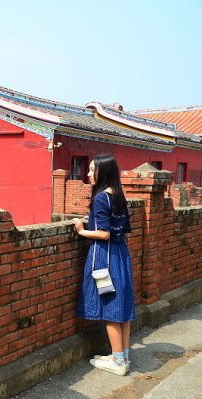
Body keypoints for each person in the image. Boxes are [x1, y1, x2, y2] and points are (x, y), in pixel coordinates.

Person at [71, 153, 135, 376]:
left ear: (103, 172)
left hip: (105, 257)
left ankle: (117, 363)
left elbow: (103, 233)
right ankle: (123, 356)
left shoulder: (100, 198)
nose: (88, 174)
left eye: (91, 169)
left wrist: (81, 230)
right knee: (122, 310)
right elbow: (122, 229)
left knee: (110, 309)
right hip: (120, 255)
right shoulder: (119, 195)